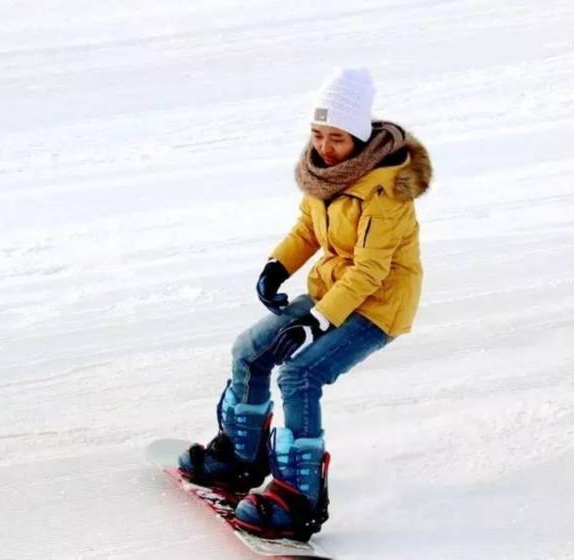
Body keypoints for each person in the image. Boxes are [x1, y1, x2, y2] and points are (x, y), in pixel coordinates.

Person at [178, 67, 433, 541]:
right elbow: (308, 230)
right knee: (250, 351)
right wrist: (278, 265)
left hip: (378, 305)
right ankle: (240, 454)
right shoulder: (325, 175)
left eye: (336, 137)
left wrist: (316, 321)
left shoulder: (386, 192)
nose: (324, 146)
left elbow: (370, 271)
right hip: (332, 290)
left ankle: (298, 496)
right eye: (317, 133)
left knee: (299, 373)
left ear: (358, 136)